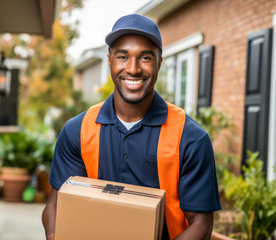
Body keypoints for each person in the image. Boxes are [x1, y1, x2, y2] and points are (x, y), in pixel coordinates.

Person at [42, 14, 221, 240]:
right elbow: (55, 206)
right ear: (110, 60)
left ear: (159, 62)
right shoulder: (78, 130)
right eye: (123, 56)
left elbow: (201, 224)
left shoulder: (190, 138)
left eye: (145, 57)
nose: (133, 69)